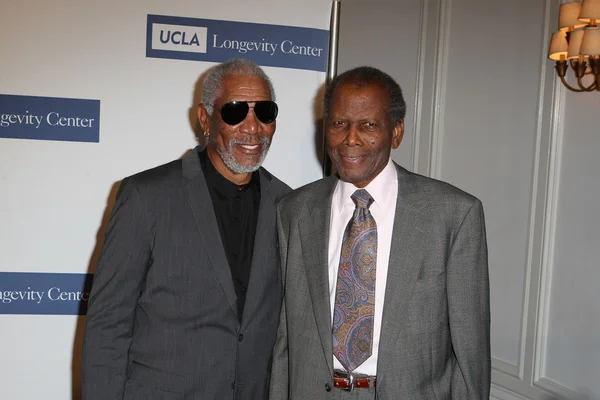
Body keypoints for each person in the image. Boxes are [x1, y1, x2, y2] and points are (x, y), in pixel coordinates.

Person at [270, 66, 490, 399]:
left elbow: (469, 350)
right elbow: (285, 337)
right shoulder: (295, 211)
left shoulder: (454, 215)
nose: (351, 138)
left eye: (369, 125)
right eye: (339, 123)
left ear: (396, 132)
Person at [82, 59, 290, 400]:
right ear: (205, 118)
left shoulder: (289, 205)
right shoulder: (146, 197)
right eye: (236, 111)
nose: (252, 127)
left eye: (265, 112)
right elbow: (107, 327)